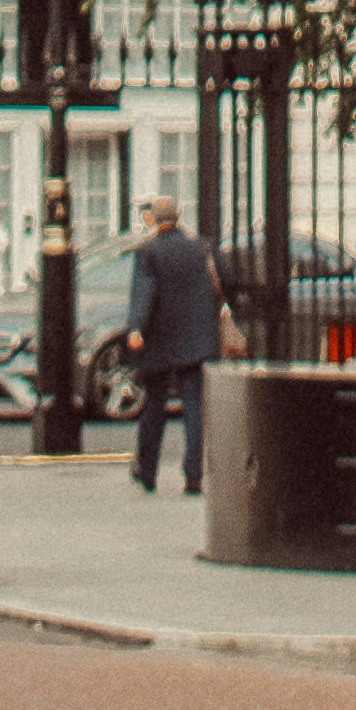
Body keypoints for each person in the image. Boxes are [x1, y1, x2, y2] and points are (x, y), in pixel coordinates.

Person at [123, 193, 222, 498]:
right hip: (196, 336)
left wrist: (136, 328)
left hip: (161, 337)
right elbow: (226, 278)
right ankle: (193, 473)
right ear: (179, 215)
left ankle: (148, 469)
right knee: (193, 405)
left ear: (154, 217)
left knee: (154, 403)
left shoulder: (148, 251)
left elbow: (144, 291)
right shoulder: (201, 246)